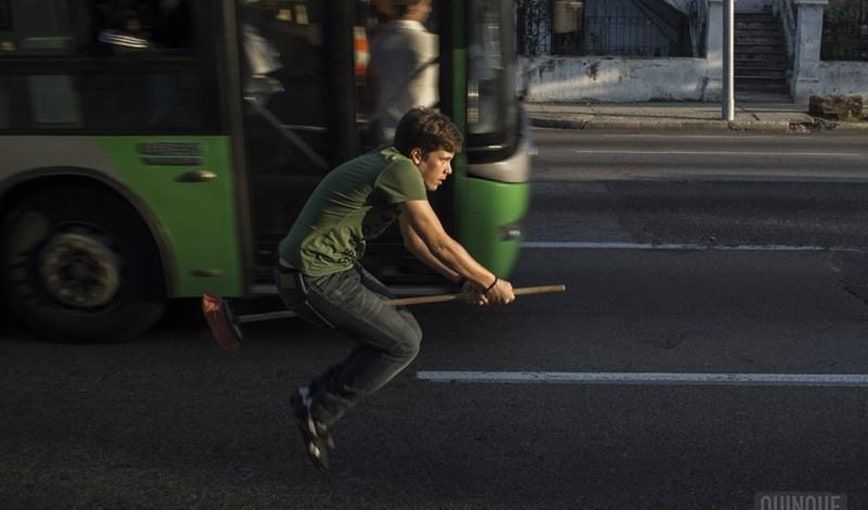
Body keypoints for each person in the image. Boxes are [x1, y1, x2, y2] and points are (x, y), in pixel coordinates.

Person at [274, 107, 515, 471]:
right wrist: (490, 281)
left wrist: (462, 280)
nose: (449, 170)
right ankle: (318, 408)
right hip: (313, 278)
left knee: (407, 333)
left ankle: (313, 397)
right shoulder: (400, 170)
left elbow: (416, 245)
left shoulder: (395, 168)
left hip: (333, 269)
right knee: (402, 343)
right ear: (418, 155)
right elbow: (439, 242)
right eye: (444, 160)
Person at [367, 0, 438, 143]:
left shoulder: (378, 42)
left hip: (386, 131)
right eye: (425, 4)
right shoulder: (429, 42)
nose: (428, 9)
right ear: (412, 7)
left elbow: (372, 85)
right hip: (421, 132)